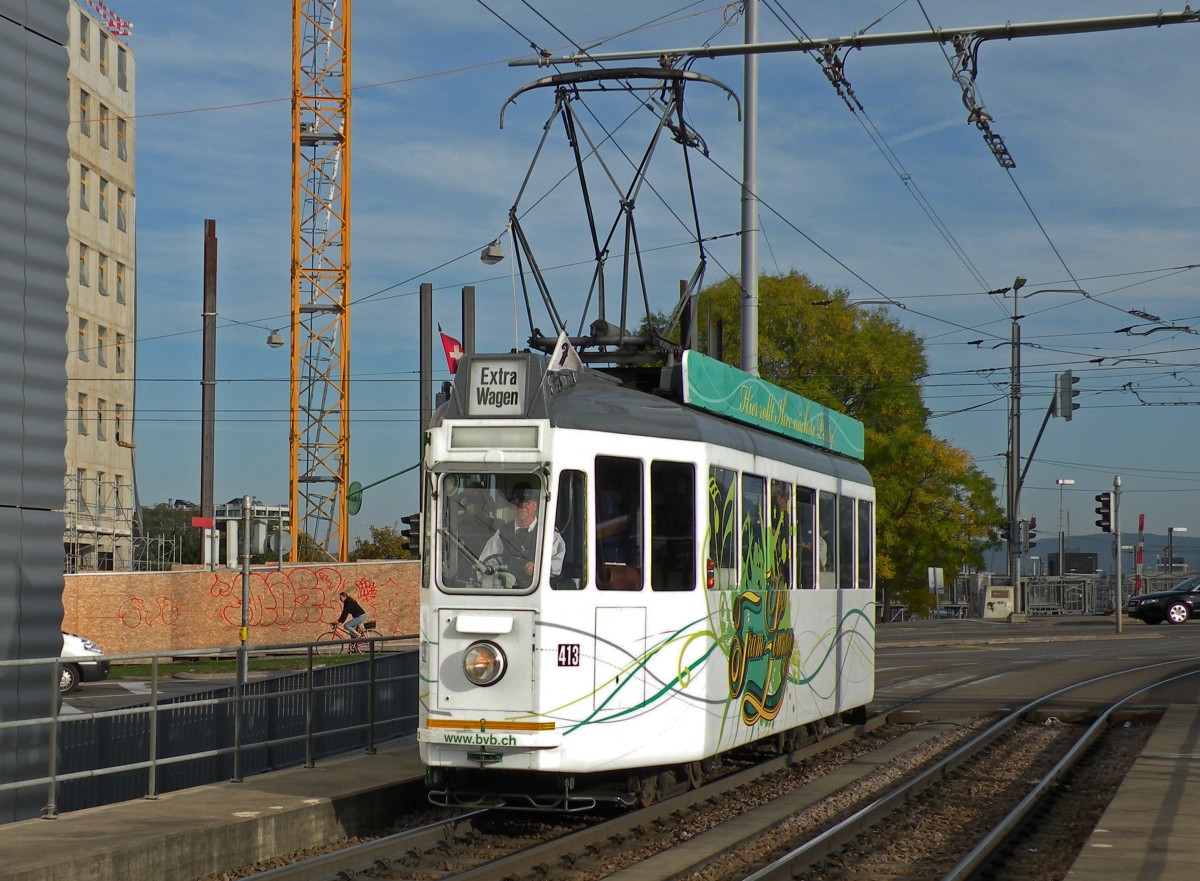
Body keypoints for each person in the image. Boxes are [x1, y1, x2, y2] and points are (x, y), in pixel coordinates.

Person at [481, 482, 565, 588]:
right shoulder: (502, 532)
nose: (522, 507)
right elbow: (487, 560)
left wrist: (537, 568)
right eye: (517, 504)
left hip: (539, 592)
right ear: (512, 507)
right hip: (507, 591)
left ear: (534, 506)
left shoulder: (550, 534)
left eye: (526, 503)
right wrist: (495, 570)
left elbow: (556, 566)